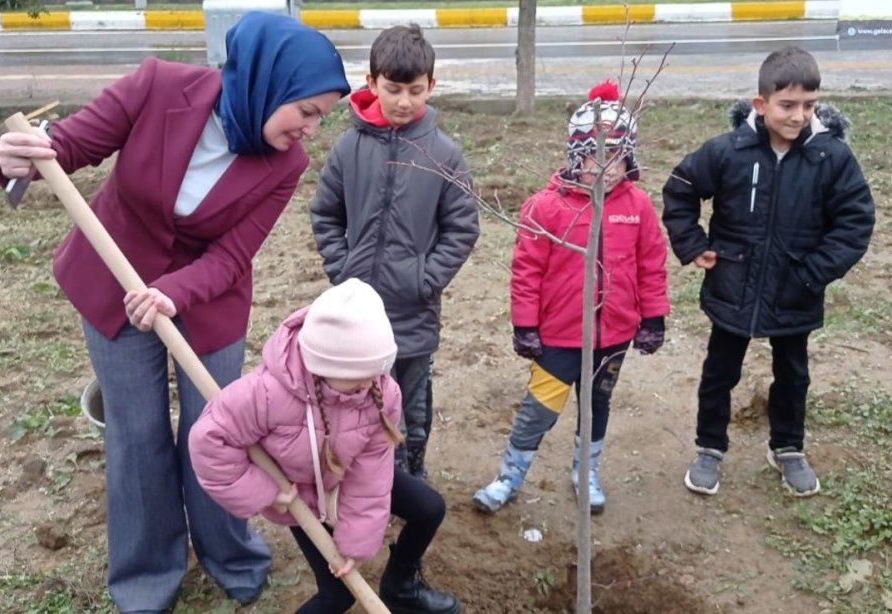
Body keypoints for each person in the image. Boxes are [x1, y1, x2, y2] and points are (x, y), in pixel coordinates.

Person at [0, 13, 351, 611]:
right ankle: (145, 577)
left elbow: (232, 254)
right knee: (136, 436)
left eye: (322, 117)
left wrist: (172, 293)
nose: (313, 129)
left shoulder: (284, 165)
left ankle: (229, 554)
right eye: (308, 111)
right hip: (113, 284)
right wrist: (21, 156)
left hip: (207, 301)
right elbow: (69, 145)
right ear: (270, 85)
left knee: (214, 433)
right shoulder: (160, 86)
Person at [663, 47, 875, 498]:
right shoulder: (728, 151)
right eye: (788, 105)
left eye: (809, 105)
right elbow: (681, 189)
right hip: (733, 285)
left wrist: (812, 273)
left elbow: (856, 221)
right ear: (761, 104)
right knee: (720, 371)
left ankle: (787, 447)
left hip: (795, 290)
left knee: (793, 373)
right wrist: (692, 244)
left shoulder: (831, 158)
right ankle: (709, 447)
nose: (799, 116)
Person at [189, 279, 462, 614]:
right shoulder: (265, 393)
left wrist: (356, 542)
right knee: (338, 595)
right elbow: (209, 443)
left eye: (375, 370)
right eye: (358, 374)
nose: (370, 382)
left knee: (429, 508)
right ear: (323, 366)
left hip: (346, 472)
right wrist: (265, 492)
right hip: (301, 494)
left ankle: (400, 587)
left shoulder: (379, 391)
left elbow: (372, 470)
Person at [472, 81, 670, 515]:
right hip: (559, 336)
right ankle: (510, 474)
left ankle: (586, 472)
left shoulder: (636, 206)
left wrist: (652, 317)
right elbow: (527, 271)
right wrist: (524, 325)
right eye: (595, 155)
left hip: (613, 334)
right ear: (576, 155)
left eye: (617, 155)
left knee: (597, 403)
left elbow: (651, 264)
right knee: (539, 409)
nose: (606, 166)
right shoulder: (546, 208)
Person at [309, 25, 479, 479]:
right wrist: (342, 270)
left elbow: (463, 227)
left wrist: (425, 278)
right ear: (371, 83)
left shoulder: (444, 153)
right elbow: (326, 214)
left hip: (413, 310)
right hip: (358, 312)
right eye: (393, 88)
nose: (404, 100)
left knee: (413, 403)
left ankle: (412, 477)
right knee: (362, 402)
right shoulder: (349, 148)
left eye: (415, 90)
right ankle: (372, 478)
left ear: (431, 86)